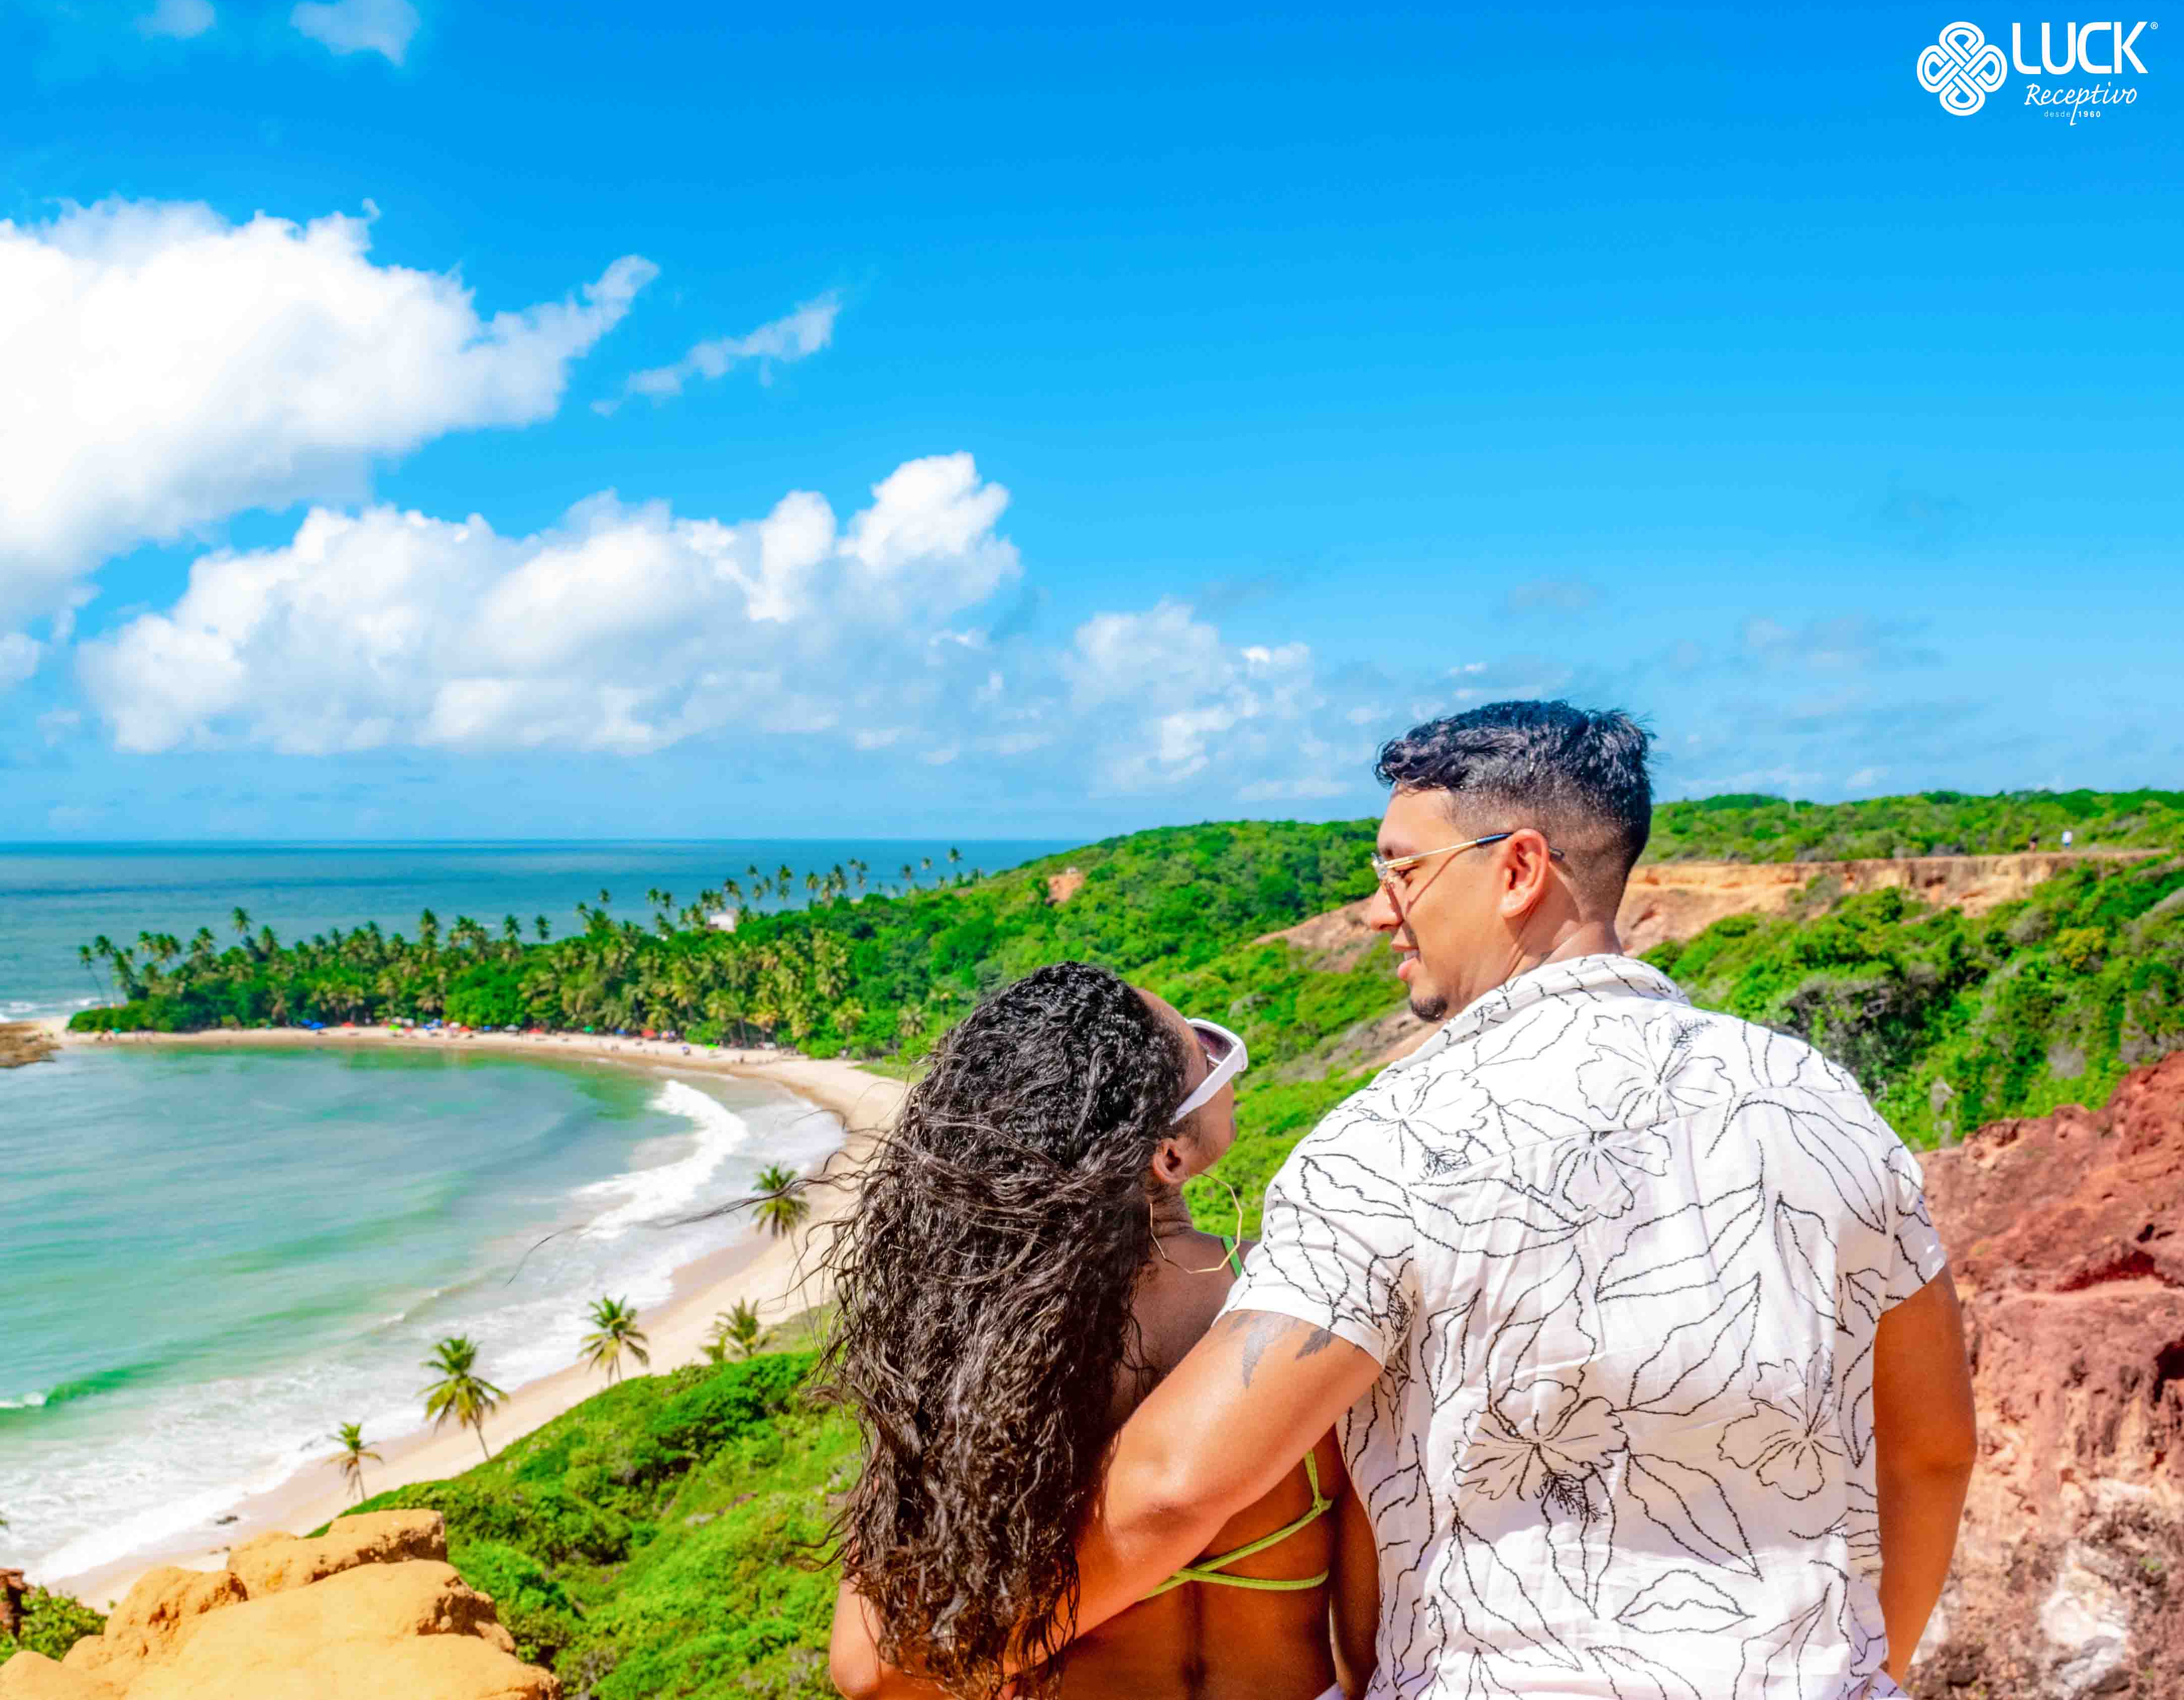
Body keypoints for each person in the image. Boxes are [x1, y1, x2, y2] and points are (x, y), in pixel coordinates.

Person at [1048, 701, 1977, 1698]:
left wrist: (945, 1656)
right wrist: (1861, 1672)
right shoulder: (1819, 1102)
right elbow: (1930, 1450)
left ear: (1518, 868)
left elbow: (1173, 1486)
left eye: (1401, 870)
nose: (1377, 912)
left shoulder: (1386, 1141)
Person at [824, 961, 1378, 1700]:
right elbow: (1373, 1620)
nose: (1220, 1059)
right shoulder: (1306, 1303)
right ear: (1168, 1154)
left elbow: (869, 1664)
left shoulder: (981, 1351)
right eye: (1203, 1052)